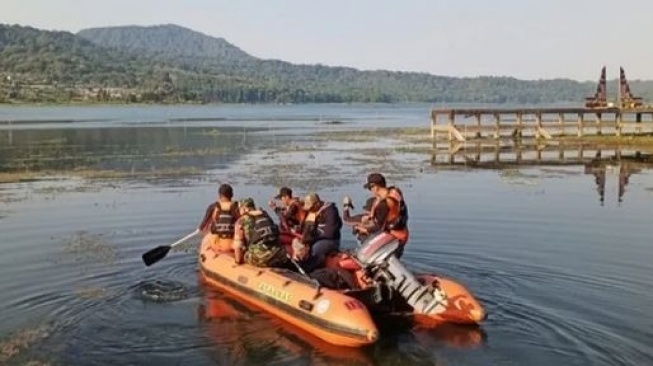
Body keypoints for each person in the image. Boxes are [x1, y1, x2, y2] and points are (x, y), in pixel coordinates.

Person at [353, 173, 409, 258]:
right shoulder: (394, 192)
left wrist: (362, 229)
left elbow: (378, 229)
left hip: (393, 236)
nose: (371, 191)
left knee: (362, 242)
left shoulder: (384, 204)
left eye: (370, 188)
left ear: (375, 186)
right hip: (403, 233)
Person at [232, 197, 289, 268]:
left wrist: (237, 261)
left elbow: (238, 246)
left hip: (261, 256)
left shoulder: (241, 221)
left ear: (243, 209)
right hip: (278, 254)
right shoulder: (265, 215)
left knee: (245, 254)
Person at [294, 193, 342, 272]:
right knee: (300, 245)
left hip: (331, 240)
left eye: (311, 208)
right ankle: (301, 263)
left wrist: (312, 239)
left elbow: (329, 233)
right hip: (318, 237)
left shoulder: (331, 211)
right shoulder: (315, 212)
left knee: (316, 248)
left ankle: (311, 269)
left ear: (317, 204)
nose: (310, 210)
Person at [197, 183, 240, 252]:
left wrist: (199, 229)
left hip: (217, 244)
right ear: (232, 195)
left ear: (220, 195)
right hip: (233, 244)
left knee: (209, 237)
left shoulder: (213, 206)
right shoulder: (237, 207)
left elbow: (202, 226)